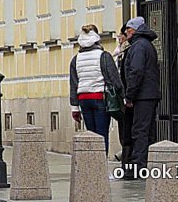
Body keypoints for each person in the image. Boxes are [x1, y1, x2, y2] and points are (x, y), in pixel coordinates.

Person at [68, 23, 124, 154]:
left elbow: (73, 84)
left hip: (83, 100)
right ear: (97, 38)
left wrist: (75, 107)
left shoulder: (75, 59)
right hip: (100, 98)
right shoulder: (104, 56)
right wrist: (123, 97)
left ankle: (91, 166)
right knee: (101, 134)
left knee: (91, 135)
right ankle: (101, 168)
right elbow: (115, 79)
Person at [122, 16, 160, 177]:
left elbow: (136, 71)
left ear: (134, 31)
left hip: (142, 95)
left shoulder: (138, 46)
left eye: (128, 31)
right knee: (147, 130)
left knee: (139, 130)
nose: (126, 34)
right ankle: (145, 164)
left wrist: (129, 96)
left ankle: (139, 167)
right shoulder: (146, 45)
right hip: (148, 94)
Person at [112, 27, 133, 165]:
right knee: (123, 129)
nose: (119, 38)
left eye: (122, 35)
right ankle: (126, 157)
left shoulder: (128, 51)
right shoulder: (119, 52)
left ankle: (128, 159)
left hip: (126, 96)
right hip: (121, 96)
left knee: (127, 130)